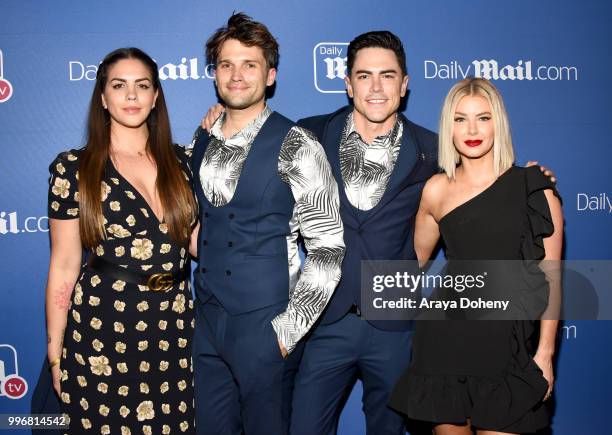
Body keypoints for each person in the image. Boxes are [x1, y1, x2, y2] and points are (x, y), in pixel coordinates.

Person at [190, 13, 345, 435]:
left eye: (250, 65)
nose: (237, 75)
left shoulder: (298, 144)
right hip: (206, 324)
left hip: (266, 325)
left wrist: (287, 332)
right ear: (215, 74)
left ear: (270, 75)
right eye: (226, 64)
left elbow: (329, 248)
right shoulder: (200, 139)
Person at [388, 77, 563, 434]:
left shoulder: (533, 188)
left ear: (498, 123)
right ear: (447, 127)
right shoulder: (436, 189)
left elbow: (553, 280)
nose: (472, 129)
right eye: (460, 119)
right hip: (443, 343)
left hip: (507, 344)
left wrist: (544, 354)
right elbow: (413, 263)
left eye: (483, 118)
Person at [46, 47, 197, 434]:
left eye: (142, 85)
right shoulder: (74, 169)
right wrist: (55, 350)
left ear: (156, 96)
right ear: (102, 97)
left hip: (173, 326)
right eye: (119, 85)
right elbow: (64, 264)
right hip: (104, 327)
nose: (131, 96)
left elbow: (199, 245)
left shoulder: (184, 162)